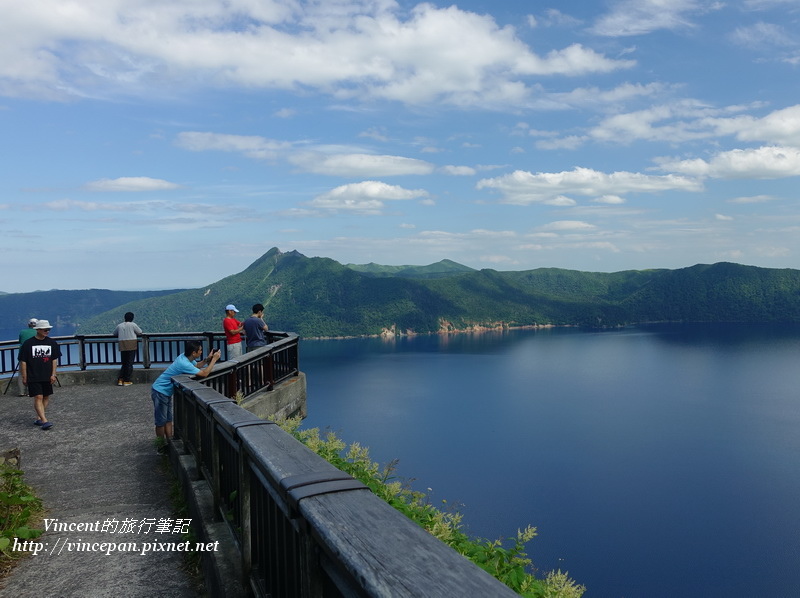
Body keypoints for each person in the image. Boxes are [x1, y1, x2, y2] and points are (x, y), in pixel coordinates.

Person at [150, 340, 221, 451]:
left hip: (165, 391)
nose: (201, 352)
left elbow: (197, 366)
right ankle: (161, 446)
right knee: (161, 421)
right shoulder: (183, 363)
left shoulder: (185, 357)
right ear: (194, 353)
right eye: (200, 350)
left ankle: (169, 443)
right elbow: (204, 373)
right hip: (160, 391)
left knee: (168, 419)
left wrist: (208, 359)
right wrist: (214, 360)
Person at [19, 319, 61, 431]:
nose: (47, 331)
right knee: (38, 396)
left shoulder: (52, 343)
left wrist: (53, 374)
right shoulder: (28, 344)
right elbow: (23, 361)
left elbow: (54, 360)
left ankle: (39, 417)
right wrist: (24, 376)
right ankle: (44, 421)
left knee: (46, 396)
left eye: (48, 329)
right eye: (45, 329)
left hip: (47, 375)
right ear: (38, 329)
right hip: (33, 375)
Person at [113, 312, 142, 386]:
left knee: (124, 363)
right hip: (131, 344)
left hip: (122, 344)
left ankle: (120, 380)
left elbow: (114, 333)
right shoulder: (133, 325)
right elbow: (140, 332)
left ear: (125, 318)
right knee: (129, 363)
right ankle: (127, 380)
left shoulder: (119, 325)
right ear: (132, 318)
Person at [16, 318, 38, 396]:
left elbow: (20, 341)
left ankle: (21, 392)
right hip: (34, 355)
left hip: (22, 355)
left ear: (28, 324)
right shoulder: (38, 332)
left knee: (21, 373)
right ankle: (31, 391)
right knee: (33, 372)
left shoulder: (22, 332)